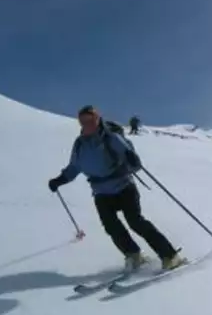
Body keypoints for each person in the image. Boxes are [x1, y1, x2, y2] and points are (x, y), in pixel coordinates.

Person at [48, 105, 184, 273]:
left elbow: (132, 159)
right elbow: (74, 168)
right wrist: (59, 180)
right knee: (111, 226)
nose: (87, 124)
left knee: (135, 221)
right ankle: (134, 256)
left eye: (91, 120)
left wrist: (133, 160)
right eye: (83, 121)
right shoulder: (79, 145)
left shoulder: (111, 137)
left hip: (124, 186)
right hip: (101, 192)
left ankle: (170, 256)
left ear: (98, 120)